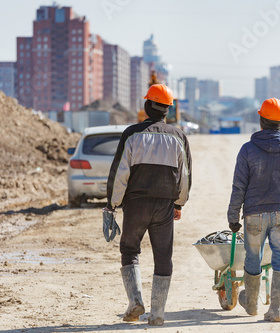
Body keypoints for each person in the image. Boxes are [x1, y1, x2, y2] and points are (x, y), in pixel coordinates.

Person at [104, 84, 192, 326]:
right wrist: (179, 204)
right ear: (167, 110)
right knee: (163, 257)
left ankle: (135, 301)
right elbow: (184, 177)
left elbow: (120, 173)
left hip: (135, 205)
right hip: (164, 207)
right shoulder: (178, 137)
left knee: (130, 251)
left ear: (147, 106)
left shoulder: (132, 134)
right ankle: (158, 314)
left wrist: (112, 205)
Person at [227, 97, 280, 322]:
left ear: (261, 121)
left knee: (252, 256)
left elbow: (239, 186)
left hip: (254, 213)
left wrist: (233, 216)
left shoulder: (247, 150)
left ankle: (252, 305)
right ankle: (276, 310)